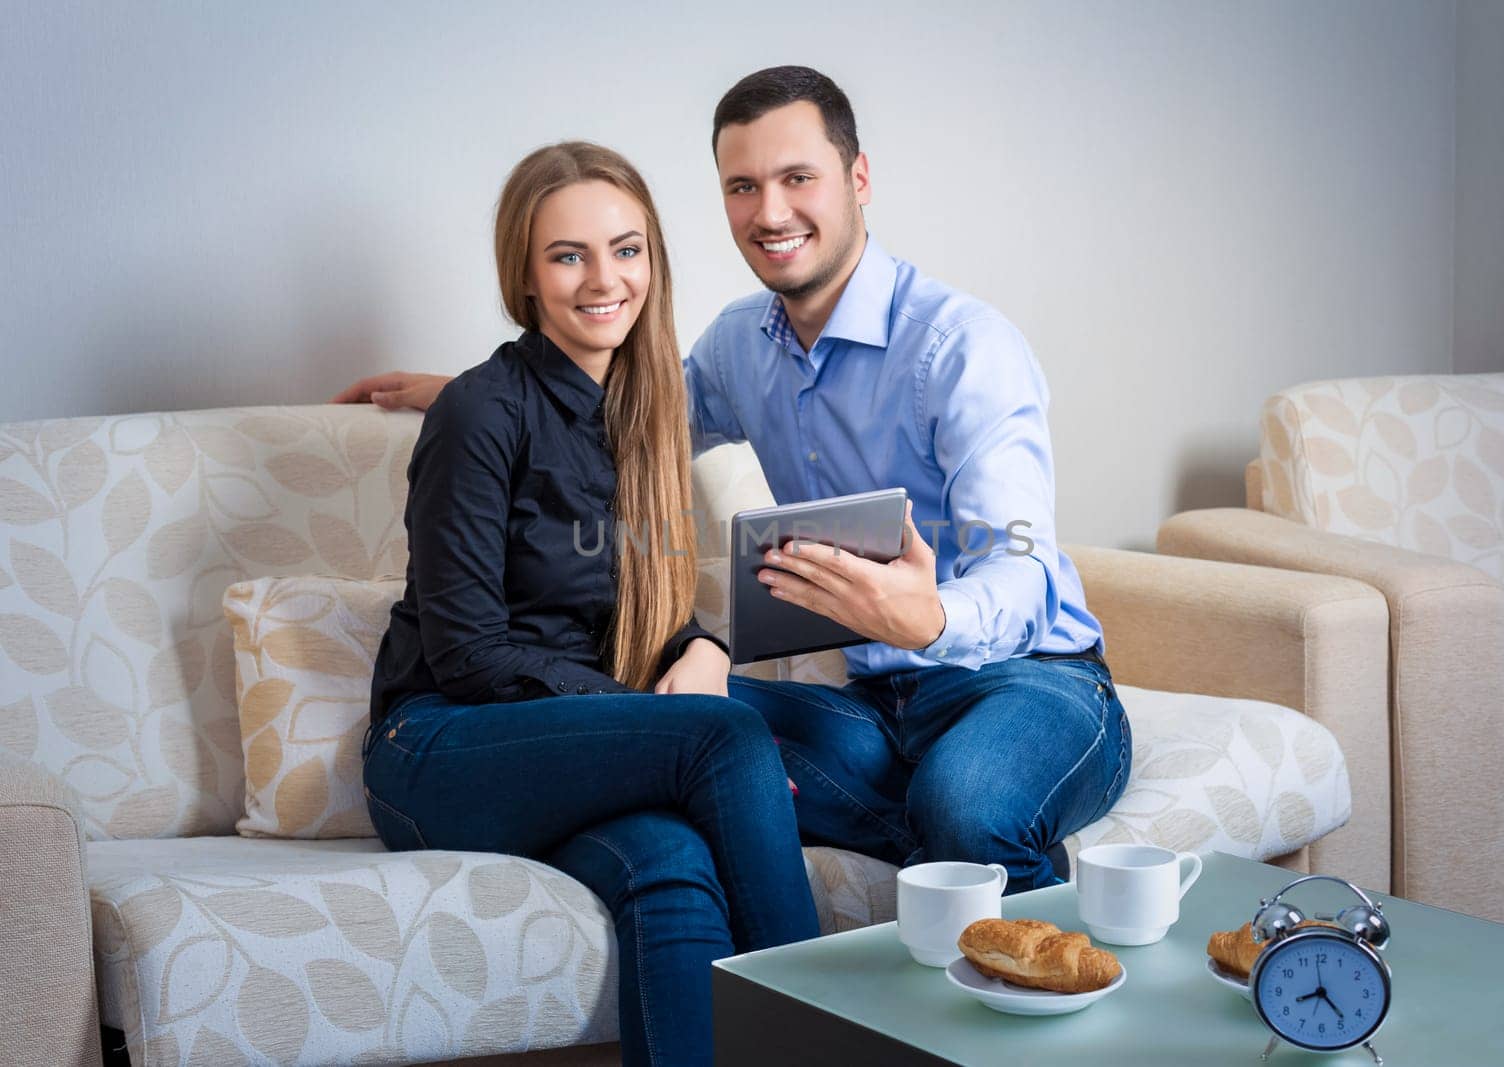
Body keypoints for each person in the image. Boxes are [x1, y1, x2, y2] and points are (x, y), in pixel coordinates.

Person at [339, 66, 1132, 897]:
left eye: (798, 178)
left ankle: (1018, 902)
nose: (771, 212)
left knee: (964, 804)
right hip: (878, 706)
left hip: (1029, 675)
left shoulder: (964, 347)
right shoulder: (739, 345)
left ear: (858, 179)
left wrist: (927, 616)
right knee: (707, 737)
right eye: (743, 186)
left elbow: (1024, 567)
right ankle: (928, 862)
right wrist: (472, 393)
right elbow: (626, 419)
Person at [359, 141, 818, 1067]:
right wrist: (655, 722)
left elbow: (630, 614)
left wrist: (701, 650)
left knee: (675, 863)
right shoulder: (479, 413)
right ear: (524, 278)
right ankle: (828, 1042)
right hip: (440, 746)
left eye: (627, 248)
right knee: (725, 739)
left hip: (577, 739)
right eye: (568, 255)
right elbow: (469, 657)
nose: (604, 279)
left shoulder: (646, 419)